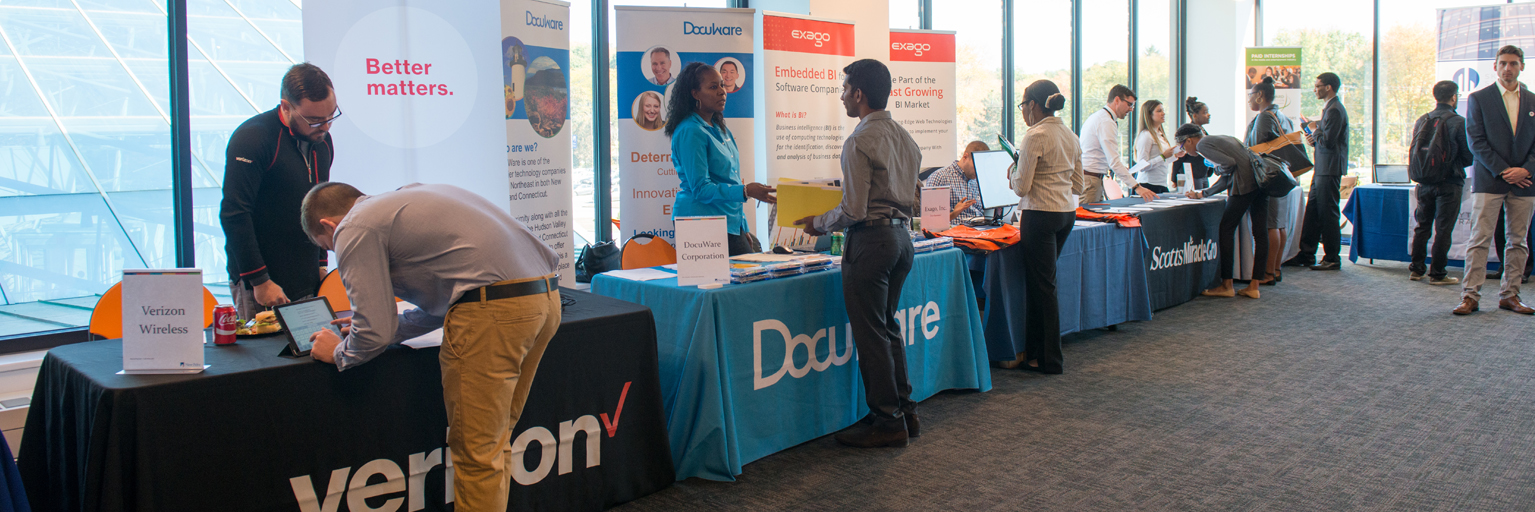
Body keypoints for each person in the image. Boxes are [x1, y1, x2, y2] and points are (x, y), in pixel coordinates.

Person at [301, 182, 561, 512]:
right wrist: (380, 327)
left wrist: (339, 351)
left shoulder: (353, 226)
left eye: (328, 245)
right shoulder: (403, 199)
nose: (336, 249)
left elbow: (375, 336)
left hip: (494, 314)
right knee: (493, 442)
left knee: (476, 450)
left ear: (328, 225)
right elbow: (448, 300)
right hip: (544, 300)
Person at [793, 59, 922, 448]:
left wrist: (818, 222)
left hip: (871, 244)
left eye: (845, 88)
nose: (842, 95)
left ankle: (886, 422)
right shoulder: (906, 138)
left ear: (859, 94)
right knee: (887, 327)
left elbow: (853, 209)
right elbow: (915, 198)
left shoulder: (859, 140)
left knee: (871, 335)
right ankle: (905, 412)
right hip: (902, 241)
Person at [220, 63, 337, 321]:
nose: (325, 127)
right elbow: (234, 214)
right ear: (285, 106)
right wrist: (259, 280)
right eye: (315, 120)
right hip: (262, 281)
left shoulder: (322, 141)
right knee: (267, 358)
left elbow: (316, 207)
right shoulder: (253, 139)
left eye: (330, 116)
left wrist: (320, 263)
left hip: (307, 276)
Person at [999, 80, 1084, 374]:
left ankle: (1050, 359)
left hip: (1040, 215)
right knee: (1042, 285)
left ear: (1033, 105)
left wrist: (1012, 171)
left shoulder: (1035, 135)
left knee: (1044, 288)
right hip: (1065, 214)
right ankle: (1035, 354)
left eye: (1022, 106)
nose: (1022, 112)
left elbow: (1021, 188)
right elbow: (1079, 184)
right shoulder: (1070, 135)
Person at [1456, 44, 1535, 316]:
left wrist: (1525, 170)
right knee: (1480, 239)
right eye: (1503, 63)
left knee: (1518, 241)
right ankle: (1470, 295)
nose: (1508, 68)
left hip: (1525, 182)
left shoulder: (1534, 101)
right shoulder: (1480, 98)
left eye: (1513, 63)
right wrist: (1504, 170)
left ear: (1522, 66)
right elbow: (1475, 142)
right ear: (1495, 66)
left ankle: (1510, 295)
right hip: (1490, 179)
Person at [667, 62, 777, 256]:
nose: (722, 91)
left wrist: (741, 225)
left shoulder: (718, 127)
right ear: (695, 94)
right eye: (713, 87)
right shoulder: (691, 131)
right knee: (716, 286)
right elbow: (701, 188)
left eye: (722, 85)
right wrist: (746, 191)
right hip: (701, 223)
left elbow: (730, 179)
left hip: (729, 222)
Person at [1184, 134, 1269, 299]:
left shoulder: (1203, 145)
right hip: (1260, 181)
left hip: (1244, 185)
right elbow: (1228, 173)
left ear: (1189, 140)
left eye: (1182, 146)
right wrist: (1204, 193)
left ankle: (1226, 284)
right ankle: (1254, 286)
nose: (1185, 151)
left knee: (1226, 229)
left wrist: (1217, 169)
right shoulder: (1224, 139)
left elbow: (1229, 166)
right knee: (1260, 233)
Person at [1409, 80, 1474, 286]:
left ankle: (1416, 269)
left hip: (1424, 181)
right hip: (1449, 183)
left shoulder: (1422, 119)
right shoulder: (1458, 122)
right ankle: (1437, 273)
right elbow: (1468, 157)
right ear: (1454, 97)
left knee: (1422, 226)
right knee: (1443, 229)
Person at [1290, 72, 1349, 271]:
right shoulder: (1329, 109)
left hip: (1329, 168)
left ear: (1329, 87)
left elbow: (1329, 141)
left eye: (1317, 86)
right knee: (1313, 211)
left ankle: (1332, 257)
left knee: (1328, 212)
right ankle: (1306, 254)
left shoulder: (1334, 110)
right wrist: (1314, 137)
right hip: (1323, 167)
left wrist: (1315, 130)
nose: (1315, 89)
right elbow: (1324, 141)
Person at [1245, 76, 1294, 286]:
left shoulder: (1264, 117)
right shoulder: (1282, 115)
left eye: (1250, 95)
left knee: (1270, 226)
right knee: (1279, 224)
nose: (1249, 100)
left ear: (1260, 95)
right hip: (1282, 176)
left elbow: (1255, 150)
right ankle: (1275, 269)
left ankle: (1267, 272)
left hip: (1270, 177)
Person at [1080, 85, 1158, 204]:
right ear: (1117, 100)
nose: (1131, 109)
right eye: (1129, 104)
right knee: (1089, 221)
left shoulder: (1100, 117)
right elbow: (1114, 161)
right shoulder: (1106, 121)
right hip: (1091, 181)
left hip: (1091, 179)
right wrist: (1137, 187)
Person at [922, 140, 988, 221]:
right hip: (954, 230)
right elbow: (930, 219)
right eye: (977, 165)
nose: (979, 171)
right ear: (965, 157)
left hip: (980, 229)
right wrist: (954, 213)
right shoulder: (940, 177)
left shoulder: (977, 181)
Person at [1133, 99, 1176, 193]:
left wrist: (1175, 155)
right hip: (1148, 184)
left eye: (1163, 110)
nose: (1163, 113)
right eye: (1159, 111)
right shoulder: (1146, 136)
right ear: (1149, 115)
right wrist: (1163, 156)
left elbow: (1162, 162)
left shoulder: (1160, 135)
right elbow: (1142, 166)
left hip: (1161, 184)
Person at [1172, 97, 1213, 190]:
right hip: (1191, 174)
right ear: (1194, 115)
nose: (1209, 115)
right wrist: (1174, 178)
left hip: (1203, 173)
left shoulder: (1203, 132)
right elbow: (1179, 156)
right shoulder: (1187, 132)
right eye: (1205, 112)